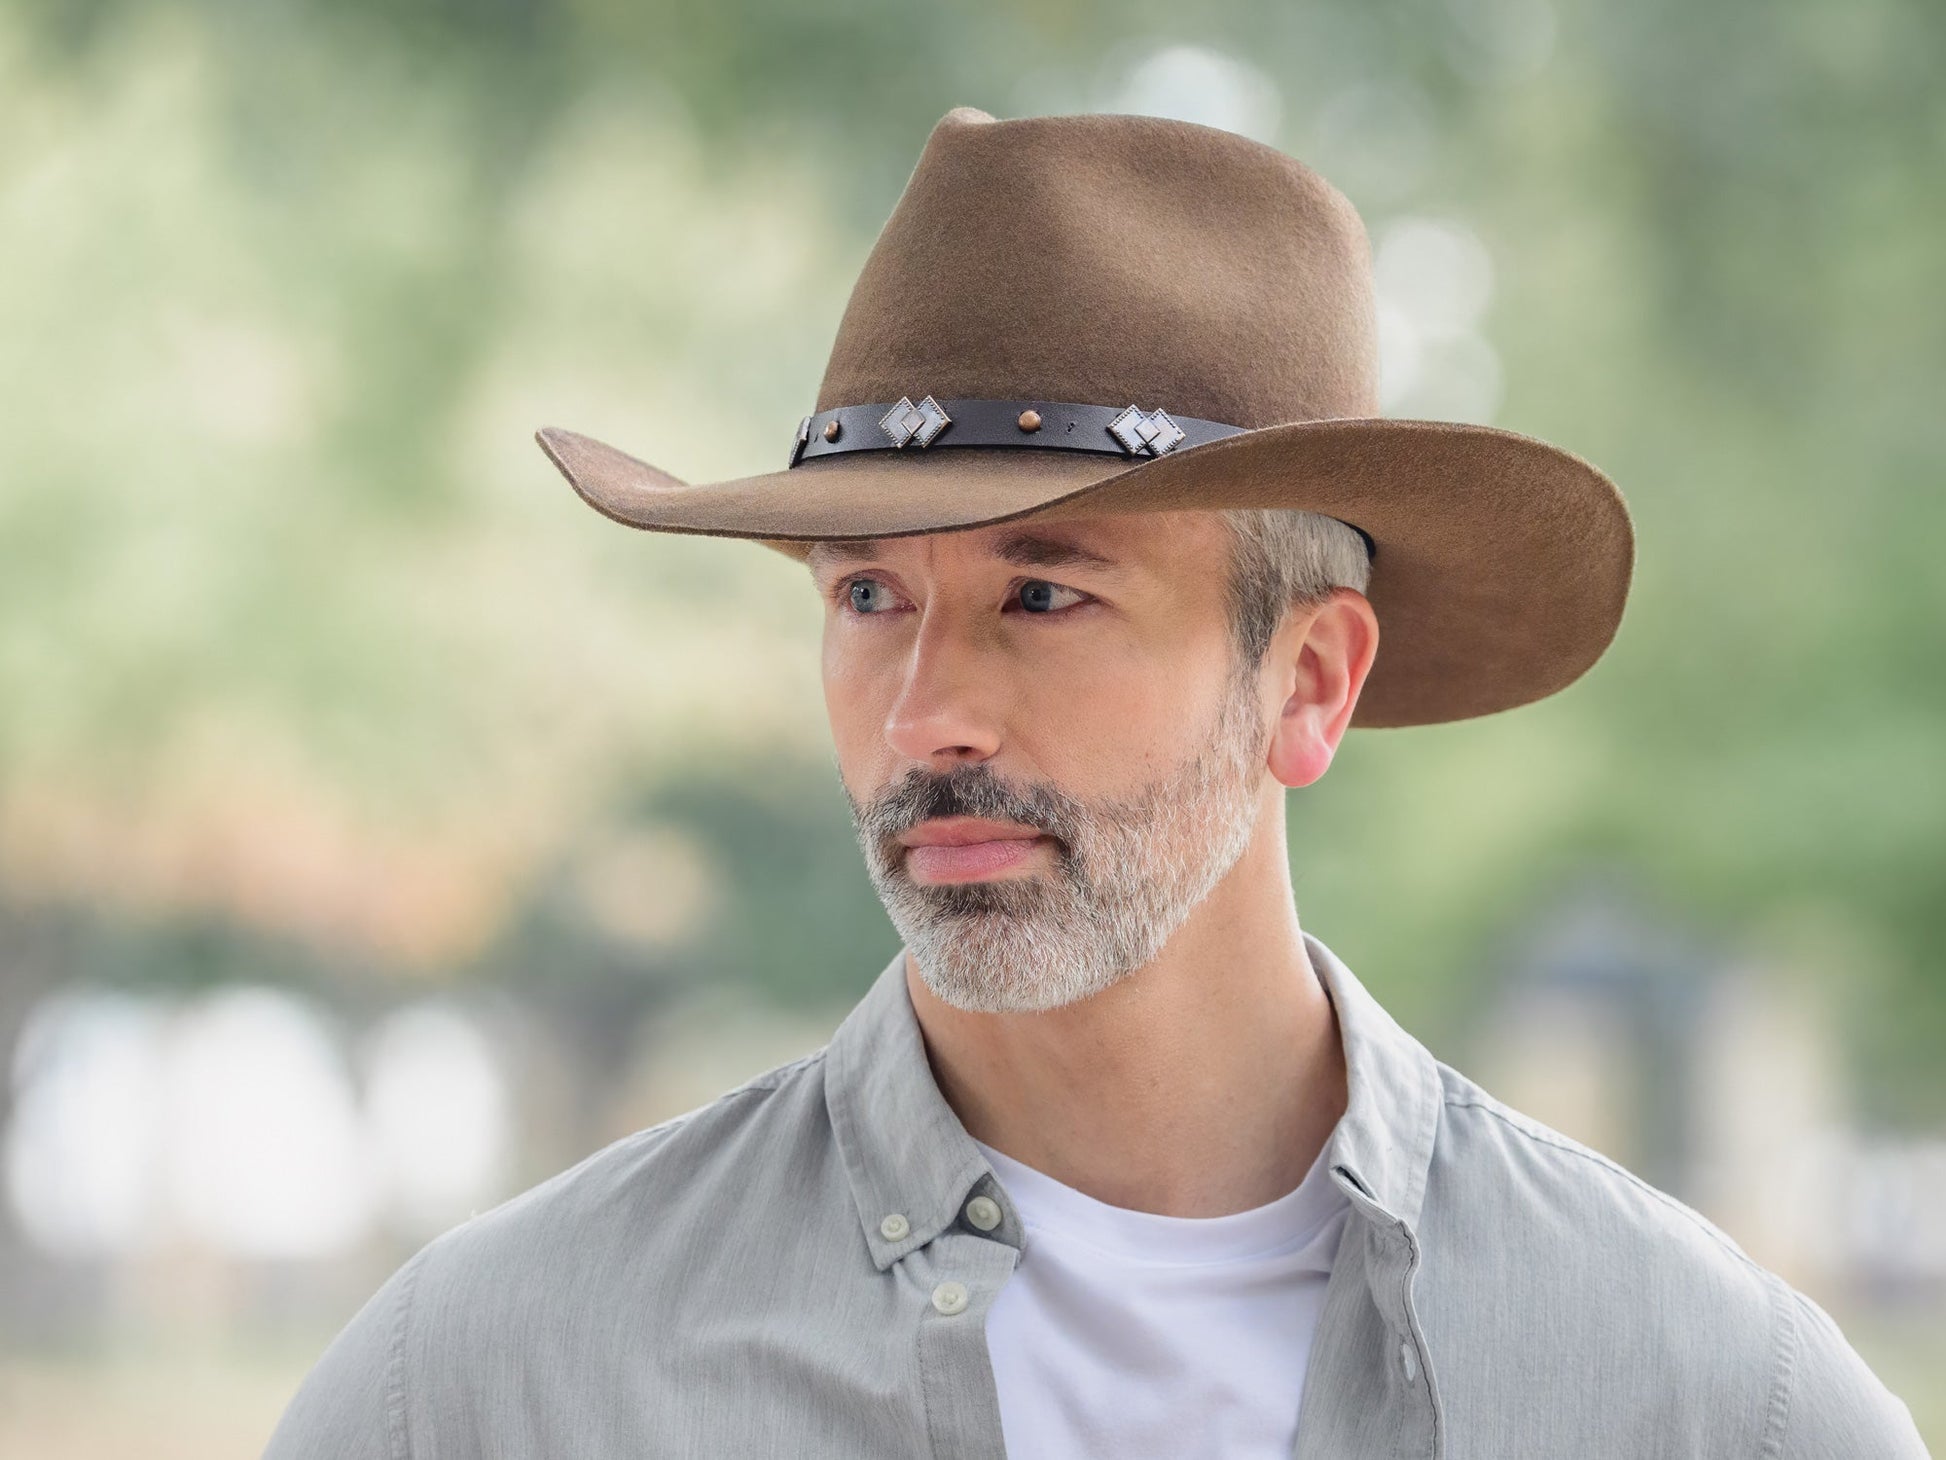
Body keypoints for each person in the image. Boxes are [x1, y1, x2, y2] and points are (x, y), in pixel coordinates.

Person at [263, 106, 1929, 1458]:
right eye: (868, 596)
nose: (928, 716)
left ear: (1310, 680)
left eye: (1045, 597)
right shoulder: (497, 1386)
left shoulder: (1702, 1403)